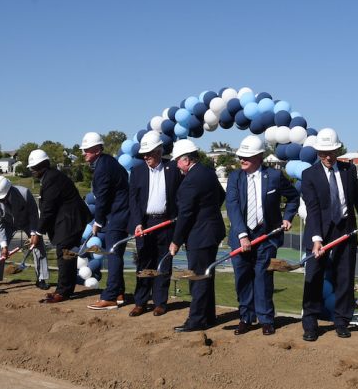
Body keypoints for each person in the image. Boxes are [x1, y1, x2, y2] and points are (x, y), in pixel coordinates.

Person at [300, 128, 358, 342]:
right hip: (319, 232)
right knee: (313, 276)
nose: (327, 157)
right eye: (322, 153)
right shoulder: (309, 175)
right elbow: (312, 209)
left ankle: (342, 321)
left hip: (345, 229)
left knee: (345, 277)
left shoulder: (349, 170)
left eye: (331, 152)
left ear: (338, 149)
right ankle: (310, 324)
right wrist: (316, 239)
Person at [225, 135, 299, 336]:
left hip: (266, 236)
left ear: (259, 156)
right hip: (241, 235)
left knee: (263, 277)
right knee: (242, 277)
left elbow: (293, 196)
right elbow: (232, 207)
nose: (242, 159)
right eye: (241, 156)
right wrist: (242, 235)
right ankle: (246, 318)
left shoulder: (274, 176)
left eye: (247, 156)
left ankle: (266, 319)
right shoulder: (234, 178)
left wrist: (288, 217)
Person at [168, 139, 226, 332]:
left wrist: (175, 241)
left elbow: (185, 215)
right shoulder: (208, 172)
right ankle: (208, 316)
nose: (176, 164)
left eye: (178, 160)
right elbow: (221, 195)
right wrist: (208, 213)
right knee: (206, 275)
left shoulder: (190, 181)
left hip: (200, 235)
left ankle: (196, 320)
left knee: (198, 278)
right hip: (212, 230)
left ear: (186, 160)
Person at [127, 131, 182, 317]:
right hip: (145, 224)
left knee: (163, 263)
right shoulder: (137, 171)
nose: (146, 157)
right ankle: (140, 302)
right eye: (144, 153)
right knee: (144, 263)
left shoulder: (173, 168)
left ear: (159, 151)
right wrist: (137, 223)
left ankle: (160, 302)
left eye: (149, 153)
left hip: (167, 223)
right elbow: (133, 201)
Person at [27, 149, 90, 304]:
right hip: (69, 220)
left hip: (71, 221)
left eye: (33, 168)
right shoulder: (50, 177)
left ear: (42, 166)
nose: (32, 171)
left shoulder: (51, 179)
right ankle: (65, 289)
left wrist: (38, 232)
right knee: (66, 253)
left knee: (64, 253)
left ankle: (63, 291)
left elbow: (48, 209)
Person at [81, 132, 131, 311]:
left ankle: (110, 296)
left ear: (96, 149)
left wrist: (98, 222)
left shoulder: (102, 167)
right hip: (120, 214)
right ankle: (118, 293)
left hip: (117, 216)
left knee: (113, 254)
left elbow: (102, 199)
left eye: (87, 150)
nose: (84, 153)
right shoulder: (107, 162)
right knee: (115, 255)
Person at [0, 176, 51, 295]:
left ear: (9, 190)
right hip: (7, 224)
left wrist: (33, 233)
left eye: (3, 198)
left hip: (26, 221)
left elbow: (33, 214)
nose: (1, 200)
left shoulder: (24, 193)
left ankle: (41, 278)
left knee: (38, 244)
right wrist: (4, 246)